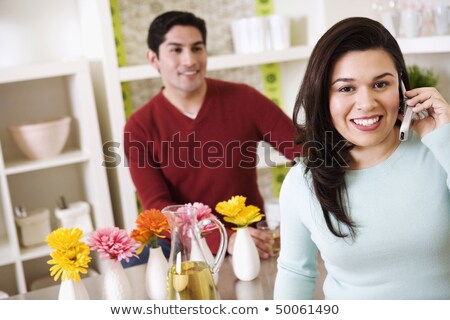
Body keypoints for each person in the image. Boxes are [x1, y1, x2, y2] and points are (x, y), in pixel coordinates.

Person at [274, 16, 450, 299]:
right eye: (346, 88)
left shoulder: (440, 152)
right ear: (323, 96)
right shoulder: (303, 180)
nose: (367, 103)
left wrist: (445, 138)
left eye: (381, 84)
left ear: (403, 90)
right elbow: (296, 274)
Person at [123, 11, 301, 264]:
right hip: (185, 245)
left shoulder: (245, 99)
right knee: (131, 262)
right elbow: (158, 207)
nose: (190, 60)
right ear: (154, 59)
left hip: (250, 237)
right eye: (176, 50)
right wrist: (224, 238)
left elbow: (305, 150)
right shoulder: (139, 126)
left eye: (197, 48)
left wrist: (299, 211)